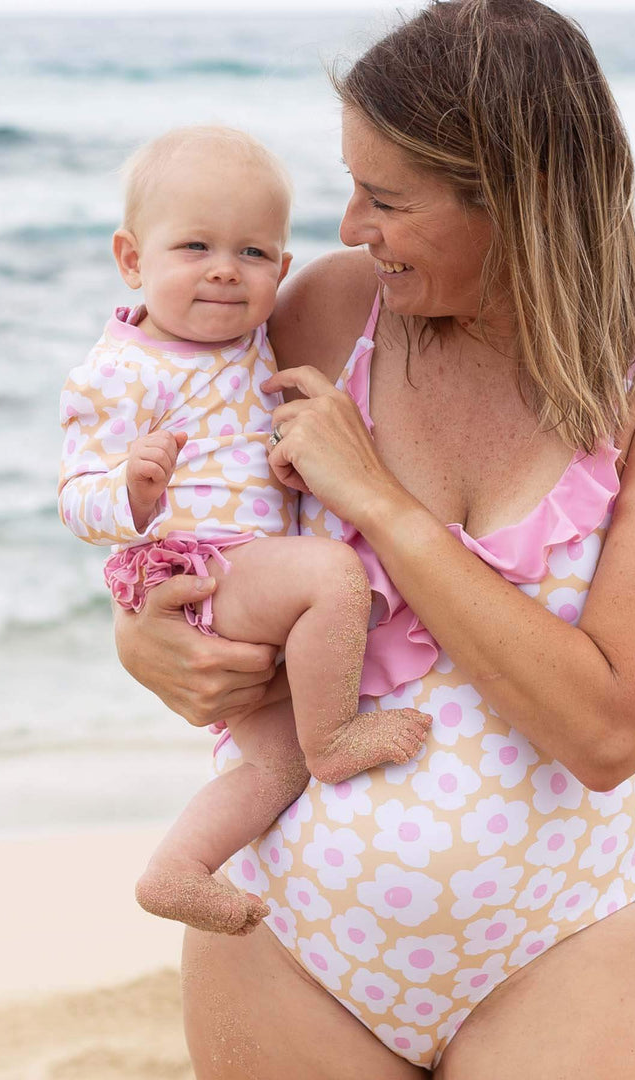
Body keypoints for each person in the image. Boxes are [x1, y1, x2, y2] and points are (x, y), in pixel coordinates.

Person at [113, 1, 635, 1075]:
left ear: (512, 200)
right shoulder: (325, 312)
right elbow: (194, 521)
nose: (348, 226)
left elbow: (607, 728)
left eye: (387, 197)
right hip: (281, 940)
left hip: (548, 954)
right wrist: (145, 638)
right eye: (351, 182)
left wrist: (382, 505)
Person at [58, 125, 430, 938]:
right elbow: (76, 497)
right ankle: (334, 736)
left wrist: (287, 465)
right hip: (194, 567)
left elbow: (245, 463)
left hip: (241, 569)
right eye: (194, 246)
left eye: (255, 254)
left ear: (282, 272)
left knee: (272, 762)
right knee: (334, 574)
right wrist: (131, 491)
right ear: (132, 261)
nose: (227, 269)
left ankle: (177, 869)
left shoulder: (251, 344)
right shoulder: (123, 370)